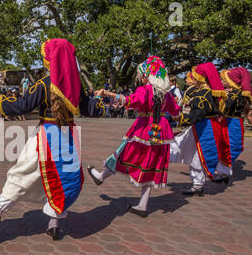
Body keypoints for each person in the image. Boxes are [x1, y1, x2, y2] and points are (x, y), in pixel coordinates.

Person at [0, 39, 105, 240]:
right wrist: (99, 101)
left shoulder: (43, 84)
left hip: (46, 135)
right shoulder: (75, 84)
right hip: (68, 137)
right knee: (63, 178)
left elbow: (22, 106)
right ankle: (53, 224)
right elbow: (90, 109)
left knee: (23, 173)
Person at [88, 56, 180, 218]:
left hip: (144, 129)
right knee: (150, 166)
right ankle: (142, 205)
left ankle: (101, 177)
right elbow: (176, 113)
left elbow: (130, 100)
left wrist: (107, 92)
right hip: (161, 132)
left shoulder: (145, 90)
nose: (140, 77)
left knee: (122, 154)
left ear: (146, 76)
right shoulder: (167, 94)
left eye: (141, 75)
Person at [169, 63, 228, 196]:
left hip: (204, 128)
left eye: (194, 77)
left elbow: (198, 114)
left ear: (199, 78)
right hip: (208, 127)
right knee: (192, 153)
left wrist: (181, 119)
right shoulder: (212, 91)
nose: (192, 79)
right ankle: (197, 185)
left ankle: (197, 185)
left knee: (190, 151)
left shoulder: (203, 93)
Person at [215, 67, 251, 182]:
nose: (222, 82)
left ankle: (222, 168)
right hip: (231, 122)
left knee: (233, 146)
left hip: (233, 123)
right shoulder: (235, 93)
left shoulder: (234, 94)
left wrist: (222, 98)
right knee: (227, 145)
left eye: (224, 80)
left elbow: (224, 108)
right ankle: (223, 172)